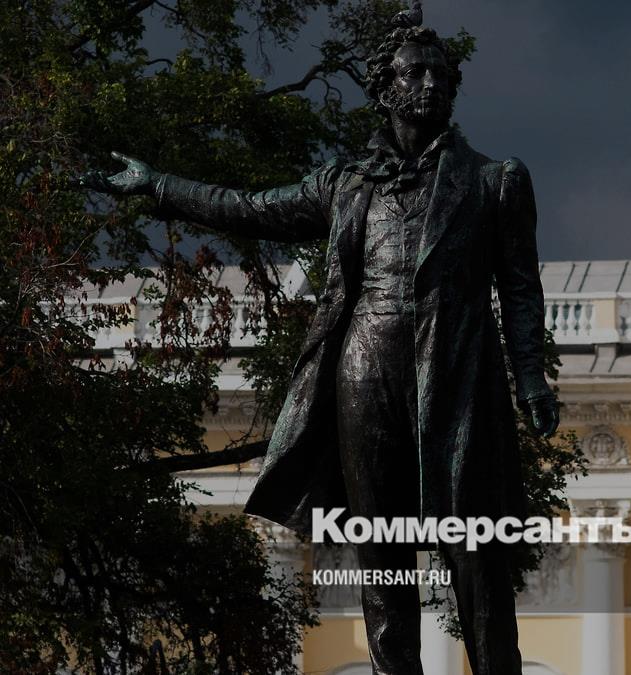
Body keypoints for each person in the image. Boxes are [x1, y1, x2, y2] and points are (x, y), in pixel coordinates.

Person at [80, 5, 557, 674]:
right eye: (414, 72)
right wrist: (157, 186)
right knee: (380, 556)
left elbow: (521, 287)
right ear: (383, 88)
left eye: (441, 74)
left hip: (458, 374)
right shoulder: (345, 184)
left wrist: (531, 376)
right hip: (365, 371)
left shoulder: (495, 180)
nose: (430, 83)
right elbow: (249, 208)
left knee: (476, 553)